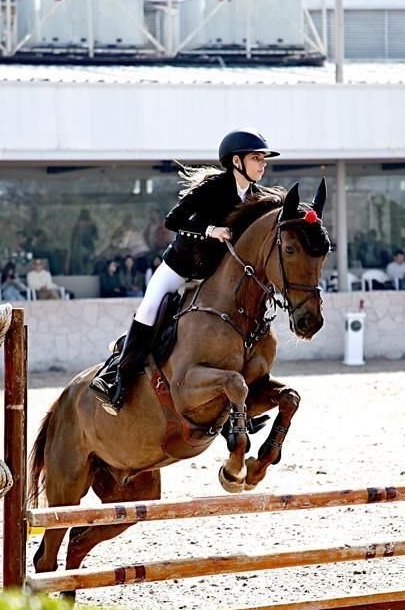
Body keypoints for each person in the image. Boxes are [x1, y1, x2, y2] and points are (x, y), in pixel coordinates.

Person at [89, 128, 280, 414]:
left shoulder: (256, 197)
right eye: (256, 158)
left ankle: (244, 403)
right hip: (181, 267)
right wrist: (209, 230)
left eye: (263, 159)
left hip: (215, 277)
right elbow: (172, 221)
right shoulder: (214, 188)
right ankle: (116, 379)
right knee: (149, 309)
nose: (262, 164)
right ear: (237, 161)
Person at [68, 209, 99, 274]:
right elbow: (73, 239)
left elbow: (96, 237)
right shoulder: (78, 225)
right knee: (81, 264)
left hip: (89, 247)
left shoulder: (91, 224)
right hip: (80, 247)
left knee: (88, 263)